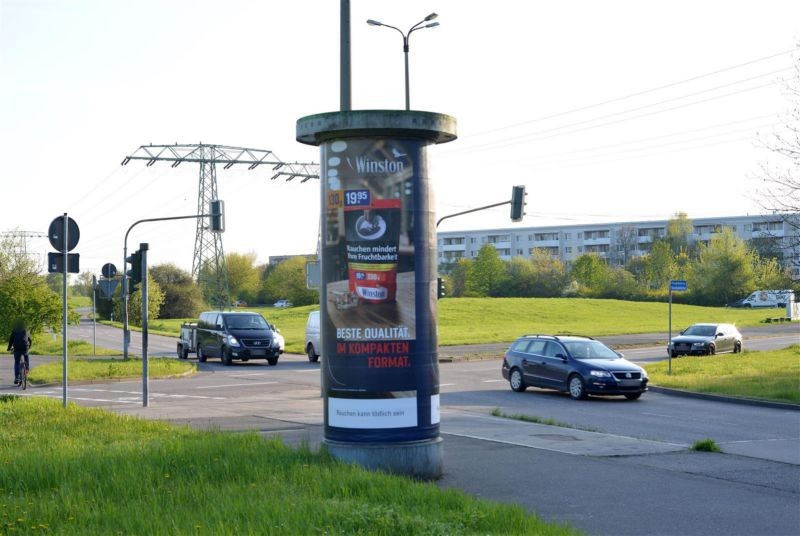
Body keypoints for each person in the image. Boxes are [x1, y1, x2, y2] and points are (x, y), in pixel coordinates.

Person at [7, 319, 32, 385]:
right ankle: (27, 369)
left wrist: (9, 348)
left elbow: (11, 340)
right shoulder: (26, 330)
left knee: (17, 362)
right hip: (25, 348)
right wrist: (29, 347)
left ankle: (17, 377)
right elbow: (30, 340)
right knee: (26, 358)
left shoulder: (14, 331)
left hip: (17, 348)